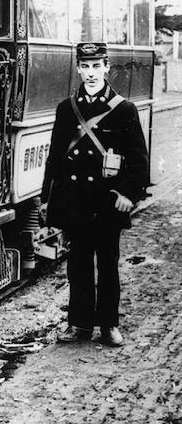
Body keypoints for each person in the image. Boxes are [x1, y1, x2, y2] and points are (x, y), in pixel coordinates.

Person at [39, 42, 149, 347]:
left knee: (108, 265)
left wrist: (129, 193)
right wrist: (47, 199)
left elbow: (139, 160)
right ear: (78, 68)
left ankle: (109, 325)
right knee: (78, 265)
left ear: (107, 67)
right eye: (85, 66)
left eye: (96, 66)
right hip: (76, 201)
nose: (90, 73)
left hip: (107, 202)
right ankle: (79, 325)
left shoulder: (124, 109)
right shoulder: (66, 108)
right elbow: (55, 158)